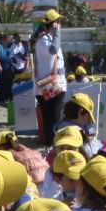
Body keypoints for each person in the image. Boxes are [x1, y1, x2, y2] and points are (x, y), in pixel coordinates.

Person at [28, 13, 66, 145]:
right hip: (51, 85)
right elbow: (54, 50)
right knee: (53, 117)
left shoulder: (45, 39)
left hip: (49, 85)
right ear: (54, 23)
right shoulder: (45, 40)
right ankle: (52, 144)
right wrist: (58, 33)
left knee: (50, 117)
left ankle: (50, 143)